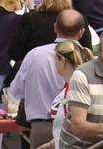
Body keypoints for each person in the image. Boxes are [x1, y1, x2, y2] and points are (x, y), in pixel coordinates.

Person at [9, 9, 87, 149]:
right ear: (81, 32)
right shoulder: (86, 58)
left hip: (43, 126)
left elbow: (16, 91)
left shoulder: (35, 55)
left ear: (55, 27)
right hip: (75, 128)